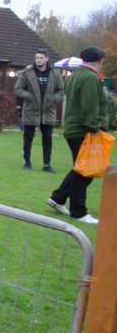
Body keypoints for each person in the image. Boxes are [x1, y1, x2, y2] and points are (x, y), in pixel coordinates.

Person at [47, 46, 109, 225]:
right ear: (98, 61)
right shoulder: (90, 77)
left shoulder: (75, 74)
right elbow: (89, 106)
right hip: (83, 130)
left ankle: (58, 198)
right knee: (85, 172)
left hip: (74, 129)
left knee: (79, 167)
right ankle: (78, 211)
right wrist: (95, 128)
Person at [14, 49, 65, 172]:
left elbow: (61, 90)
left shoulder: (55, 74)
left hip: (48, 110)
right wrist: (30, 97)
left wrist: (53, 99)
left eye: (41, 58)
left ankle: (47, 164)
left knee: (47, 139)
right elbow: (18, 89)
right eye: (37, 58)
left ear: (47, 58)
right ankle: (27, 162)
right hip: (31, 109)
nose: (38, 60)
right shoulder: (28, 72)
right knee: (28, 138)